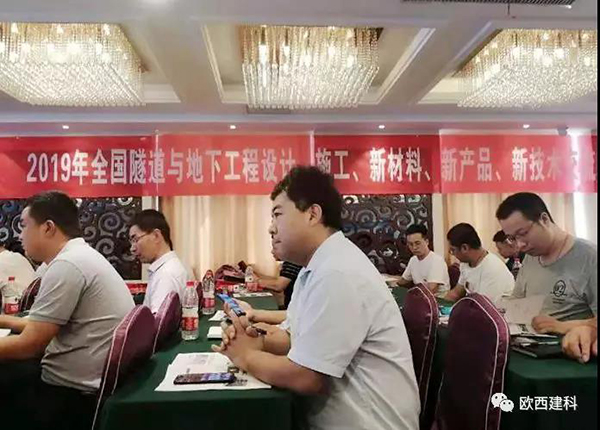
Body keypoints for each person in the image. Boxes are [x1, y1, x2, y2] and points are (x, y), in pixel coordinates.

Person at [213, 166, 420, 430]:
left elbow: (306, 376)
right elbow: (292, 337)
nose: (270, 228)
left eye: (278, 214)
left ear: (312, 214)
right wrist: (255, 338)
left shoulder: (338, 271)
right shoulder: (314, 268)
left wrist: (245, 356)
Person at [0, 191, 134, 430]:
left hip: (69, 396)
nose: (20, 236)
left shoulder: (67, 265)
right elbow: (43, 325)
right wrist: (4, 320)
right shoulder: (80, 256)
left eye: (24, 226)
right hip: (87, 381)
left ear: (48, 228)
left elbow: (29, 345)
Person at [496, 192, 597, 334]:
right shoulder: (531, 257)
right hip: (529, 342)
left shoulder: (589, 258)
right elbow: (516, 303)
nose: (520, 245)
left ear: (544, 219)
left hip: (568, 345)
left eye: (523, 233)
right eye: (512, 238)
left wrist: (563, 327)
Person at [129, 209, 189, 313]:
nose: (132, 248)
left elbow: (157, 321)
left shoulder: (165, 275)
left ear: (156, 236)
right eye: (131, 242)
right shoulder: (170, 266)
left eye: (136, 240)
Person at [444, 223, 514, 306]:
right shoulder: (465, 264)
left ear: (465, 248)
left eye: (453, 250)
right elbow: (456, 293)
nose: (453, 254)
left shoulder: (492, 268)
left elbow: (484, 307)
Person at [396, 224, 450, 296]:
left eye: (417, 243)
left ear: (426, 242)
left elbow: (431, 289)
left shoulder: (437, 261)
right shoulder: (413, 260)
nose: (414, 247)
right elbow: (403, 280)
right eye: (410, 244)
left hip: (437, 300)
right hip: (420, 297)